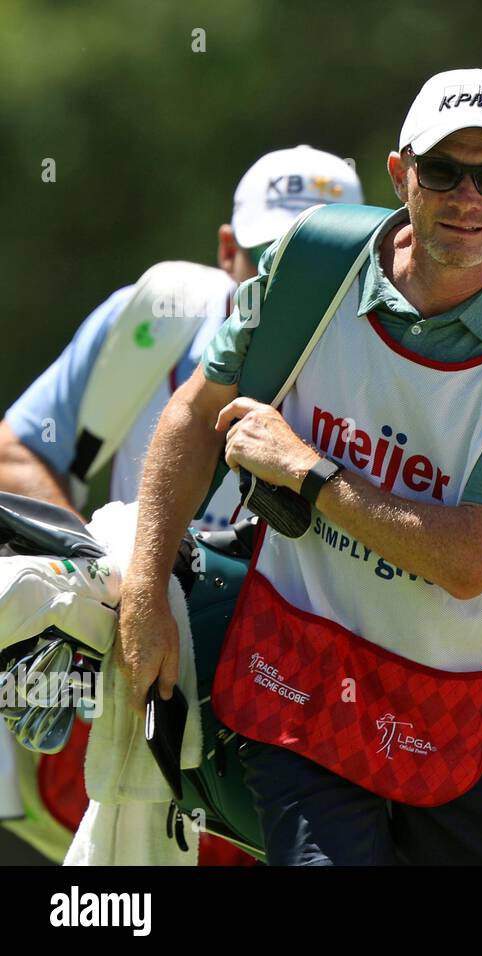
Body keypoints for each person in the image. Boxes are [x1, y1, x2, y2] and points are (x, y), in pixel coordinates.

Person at [115, 68, 482, 865]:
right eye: (442, 171)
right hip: (299, 665)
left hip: (463, 702)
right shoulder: (313, 259)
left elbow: (473, 560)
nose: (467, 197)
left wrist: (309, 474)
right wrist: (146, 592)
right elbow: (193, 414)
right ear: (401, 174)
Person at [0, 145, 363, 864]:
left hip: (296, 722)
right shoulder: (159, 316)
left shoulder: (384, 366)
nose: (291, 290)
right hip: (131, 690)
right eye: (271, 260)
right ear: (229, 251)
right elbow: (16, 451)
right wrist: (115, 581)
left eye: (317, 267)